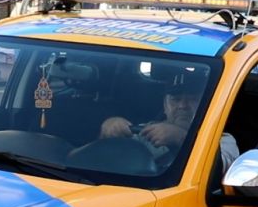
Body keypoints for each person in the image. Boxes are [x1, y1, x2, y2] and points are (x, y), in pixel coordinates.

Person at [98, 72, 238, 168]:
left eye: (193, 99)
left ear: (206, 105)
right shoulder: (142, 132)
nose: (183, 105)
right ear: (165, 106)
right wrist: (109, 132)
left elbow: (219, 170)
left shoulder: (221, 140)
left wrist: (181, 138)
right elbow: (101, 160)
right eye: (175, 99)